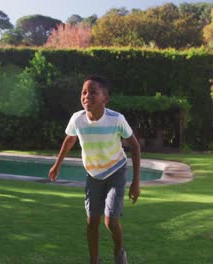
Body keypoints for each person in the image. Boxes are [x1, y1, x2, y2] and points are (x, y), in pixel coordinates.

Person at [48, 75, 141, 264]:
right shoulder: (77, 119)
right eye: (83, 92)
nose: (86, 96)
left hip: (116, 170)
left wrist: (136, 183)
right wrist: (57, 165)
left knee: (111, 221)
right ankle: (94, 261)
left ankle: (119, 255)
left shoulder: (116, 120)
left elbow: (135, 146)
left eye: (93, 92)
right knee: (92, 223)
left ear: (105, 99)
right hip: (93, 175)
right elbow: (70, 139)